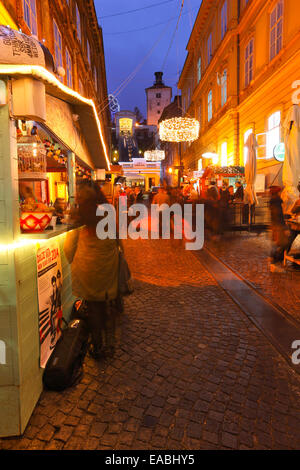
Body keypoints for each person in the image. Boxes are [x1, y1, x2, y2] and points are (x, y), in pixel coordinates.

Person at [64, 182, 120, 359]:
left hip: (88, 267)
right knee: (105, 304)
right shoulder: (107, 212)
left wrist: (71, 258)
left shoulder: (78, 216)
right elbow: (117, 237)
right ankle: (110, 345)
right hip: (107, 264)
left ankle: (97, 346)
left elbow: (69, 246)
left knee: (94, 307)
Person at [269, 186, 290, 273]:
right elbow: (278, 215)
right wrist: (285, 228)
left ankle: (273, 260)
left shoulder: (274, 201)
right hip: (279, 226)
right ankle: (275, 262)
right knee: (284, 243)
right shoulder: (276, 201)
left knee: (278, 244)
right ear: (278, 193)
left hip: (276, 226)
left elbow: (278, 215)